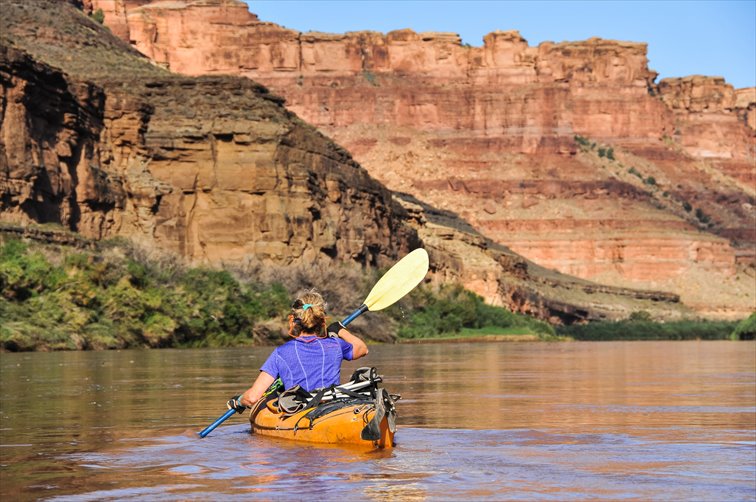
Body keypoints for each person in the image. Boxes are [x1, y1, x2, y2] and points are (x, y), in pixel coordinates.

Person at [227, 290, 369, 413]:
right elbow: (362, 349)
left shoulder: (281, 353)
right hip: (333, 408)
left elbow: (252, 398)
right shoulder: (336, 345)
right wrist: (339, 330)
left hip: (299, 413)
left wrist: (238, 401)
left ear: (294, 321)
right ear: (321, 320)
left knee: (270, 398)